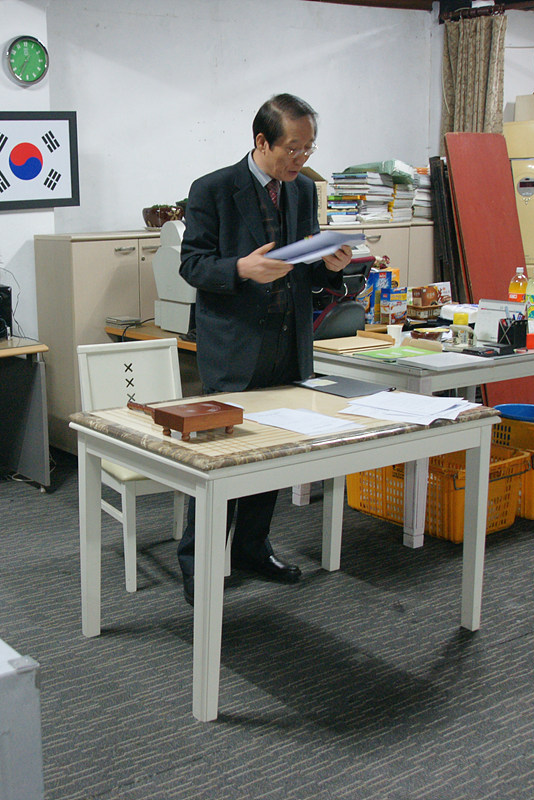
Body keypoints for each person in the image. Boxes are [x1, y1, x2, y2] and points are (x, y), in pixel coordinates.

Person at [176, 93, 352, 606]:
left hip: (288, 342)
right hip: (234, 345)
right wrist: (240, 268)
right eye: (293, 149)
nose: (301, 159)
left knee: (271, 452)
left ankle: (253, 547)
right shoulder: (212, 189)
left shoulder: (302, 191)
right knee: (220, 456)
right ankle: (200, 562)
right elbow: (192, 264)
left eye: (308, 148)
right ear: (261, 141)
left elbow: (305, 266)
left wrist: (331, 267)